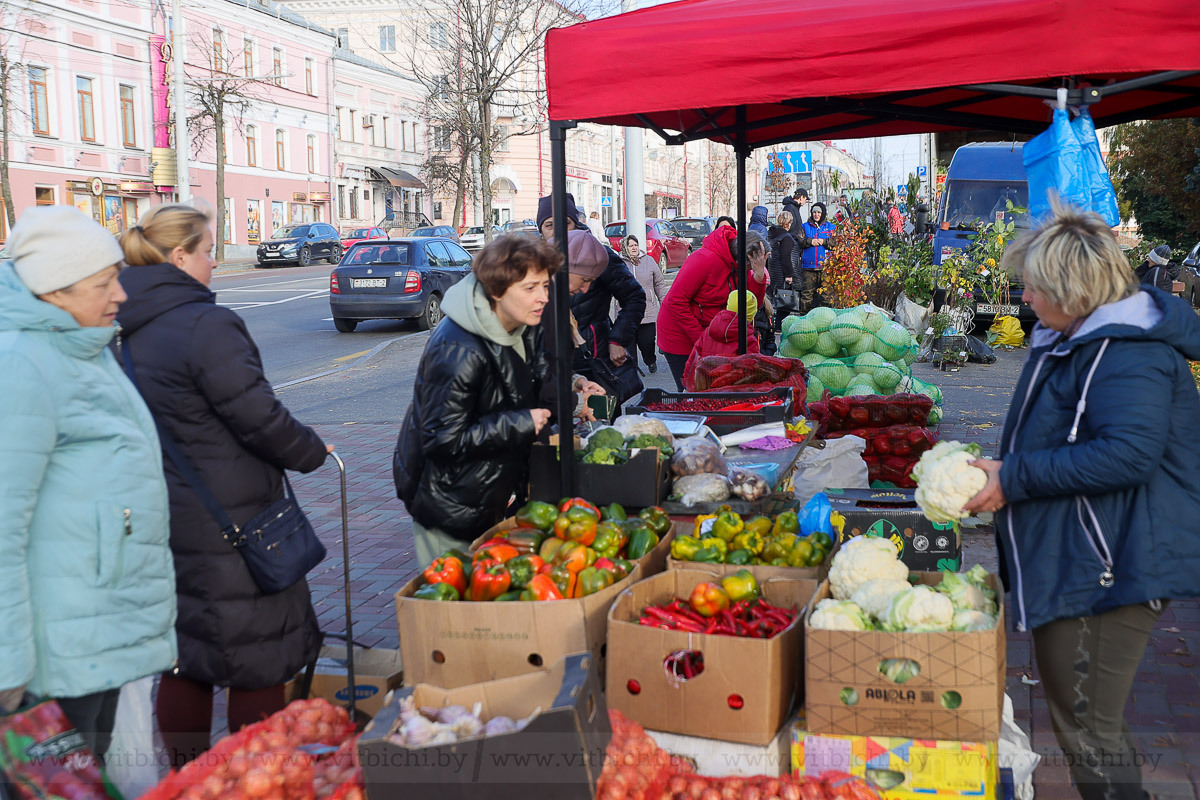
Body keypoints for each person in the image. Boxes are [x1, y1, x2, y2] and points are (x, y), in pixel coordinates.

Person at [963, 205, 1200, 800]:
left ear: (1072, 288)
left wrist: (1012, 476)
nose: (1024, 295)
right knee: (1080, 718)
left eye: (1034, 284)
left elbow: (1127, 455)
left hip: (1116, 557)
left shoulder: (1129, 351)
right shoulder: (1073, 335)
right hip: (1085, 547)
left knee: (1089, 724)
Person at [116, 203, 330, 766]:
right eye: (209, 251)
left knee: (188, 658)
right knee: (255, 658)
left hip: (169, 515)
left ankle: (188, 776)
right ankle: (247, 777)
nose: (213, 263)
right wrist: (311, 451)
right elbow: (257, 415)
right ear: (180, 256)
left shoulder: (121, 322)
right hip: (234, 521)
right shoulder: (205, 324)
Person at [0, 206, 177, 759]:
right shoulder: (23, 366)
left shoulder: (80, 347)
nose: (120, 294)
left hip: (91, 629)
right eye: (104, 283)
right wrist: (7, 661)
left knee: (89, 779)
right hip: (54, 654)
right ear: (55, 293)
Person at [395, 234, 566, 565]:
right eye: (530, 288)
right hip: (448, 501)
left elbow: (535, 380)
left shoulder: (523, 323)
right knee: (450, 604)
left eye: (545, 286)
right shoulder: (457, 349)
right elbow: (442, 438)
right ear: (496, 290)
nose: (543, 297)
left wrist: (574, 389)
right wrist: (521, 423)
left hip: (489, 491)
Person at [536, 193, 645, 401]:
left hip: (594, 360)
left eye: (565, 223)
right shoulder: (534, 265)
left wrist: (618, 339)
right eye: (550, 225)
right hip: (552, 364)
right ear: (541, 230)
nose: (558, 231)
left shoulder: (597, 256)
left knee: (601, 427)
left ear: (575, 225)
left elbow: (635, 297)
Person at [657, 225, 769, 390]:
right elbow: (675, 301)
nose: (750, 271)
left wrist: (759, 276)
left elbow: (750, 306)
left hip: (710, 334)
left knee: (713, 388)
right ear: (745, 258)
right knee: (695, 389)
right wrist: (704, 341)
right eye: (750, 268)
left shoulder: (742, 268)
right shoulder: (704, 259)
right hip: (679, 335)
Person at [681, 290, 761, 390]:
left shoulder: (709, 331)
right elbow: (754, 370)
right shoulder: (748, 339)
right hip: (732, 390)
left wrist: (687, 382)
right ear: (751, 315)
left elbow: (693, 360)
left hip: (704, 385)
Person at [619, 234, 665, 373]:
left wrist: (664, 303)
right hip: (626, 312)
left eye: (635, 245)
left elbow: (659, 283)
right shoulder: (619, 263)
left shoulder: (649, 261)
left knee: (647, 342)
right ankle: (633, 369)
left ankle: (650, 360)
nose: (634, 248)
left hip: (647, 310)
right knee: (629, 345)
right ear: (625, 248)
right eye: (630, 245)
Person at [799, 202, 835, 313]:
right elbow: (799, 241)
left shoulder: (831, 227)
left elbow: (836, 242)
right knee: (806, 296)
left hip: (826, 267)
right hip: (808, 267)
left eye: (819, 212)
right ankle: (804, 319)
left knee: (826, 296)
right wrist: (810, 241)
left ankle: (826, 318)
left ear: (823, 213)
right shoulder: (804, 227)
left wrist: (824, 241)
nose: (816, 214)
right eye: (814, 212)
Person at [767, 211, 799, 328]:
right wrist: (789, 274)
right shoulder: (786, 238)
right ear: (788, 223)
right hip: (782, 274)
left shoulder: (772, 235)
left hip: (772, 272)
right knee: (785, 303)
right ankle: (779, 327)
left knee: (772, 301)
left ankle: (772, 325)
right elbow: (785, 256)